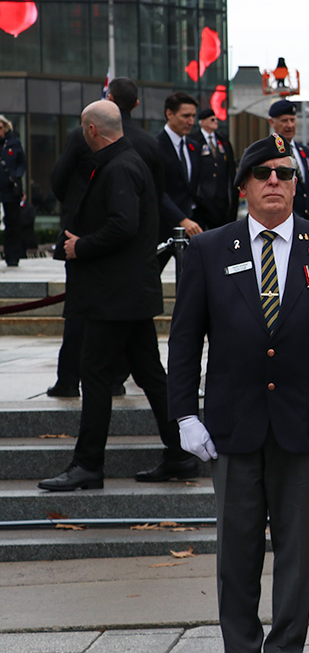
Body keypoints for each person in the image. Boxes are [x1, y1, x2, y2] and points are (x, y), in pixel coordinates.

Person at [167, 133, 309, 651]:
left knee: (296, 552)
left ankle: (285, 647)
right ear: (244, 187)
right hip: (233, 425)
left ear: (297, 184)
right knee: (235, 551)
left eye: (285, 173)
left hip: (304, 425)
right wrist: (185, 415)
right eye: (263, 174)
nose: (275, 181)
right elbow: (186, 340)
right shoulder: (210, 249)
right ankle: (240, 645)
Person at [37, 101, 198, 492]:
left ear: (92, 130)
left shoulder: (119, 166)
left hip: (115, 295)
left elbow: (122, 225)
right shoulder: (126, 160)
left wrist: (81, 247)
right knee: (149, 375)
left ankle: (88, 464)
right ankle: (179, 453)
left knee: (94, 373)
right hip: (128, 293)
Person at [47, 77, 159, 399]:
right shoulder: (149, 144)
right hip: (133, 258)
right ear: (135, 105)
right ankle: (114, 380)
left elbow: (58, 180)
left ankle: (70, 379)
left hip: (89, 246)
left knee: (84, 318)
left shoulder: (87, 139)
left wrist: (78, 223)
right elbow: (155, 198)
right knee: (139, 354)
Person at [156, 92, 203, 274]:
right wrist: (181, 219)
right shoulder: (155, 146)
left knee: (192, 283)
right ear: (169, 114)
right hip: (161, 229)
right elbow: (157, 190)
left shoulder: (193, 147)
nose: (191, 121)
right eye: (186, 116)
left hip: (190, 230)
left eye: (193, 116)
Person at [267, 99, 309, 221]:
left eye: (292, 120)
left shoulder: (305, 152)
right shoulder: (267, 153)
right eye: (284, 121)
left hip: (307, 223)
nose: (289, 125)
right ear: (272, 122)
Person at [191, 107, 237, 230]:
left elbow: (230, 167)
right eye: (212, 119)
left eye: (216, 119)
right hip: (203, 198)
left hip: (222, 197)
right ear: (202, 122)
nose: (216, 121)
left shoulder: (223, 140)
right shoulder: (194, 140)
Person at [0, 115, 26, 267]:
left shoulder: (14, 142)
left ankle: (12, 256)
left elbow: (22, 161)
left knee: (13, 223)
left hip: (10, 189)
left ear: (5, 127)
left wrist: (17, 175)